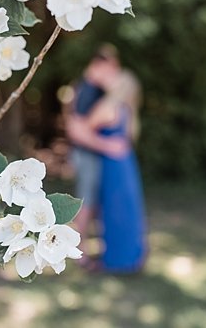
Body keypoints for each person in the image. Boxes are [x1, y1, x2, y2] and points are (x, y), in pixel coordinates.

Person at [68, 56, 147, 273]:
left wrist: (105, 146)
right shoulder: (127, 112)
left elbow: (79, 129)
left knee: (115, 209)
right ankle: (128, 257)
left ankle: (117, 259)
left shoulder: (110, 107)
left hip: (114, 165)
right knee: (124, 209)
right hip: (124, 164)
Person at [65, 46, 110, 256]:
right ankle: (80, 250)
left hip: (87, 154)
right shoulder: (89, 89)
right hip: (86, 154)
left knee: (91, 202)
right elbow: (76, 128)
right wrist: (106, 145)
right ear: (97, 65)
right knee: (85, 202)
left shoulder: (87, 87)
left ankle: (87, 247)